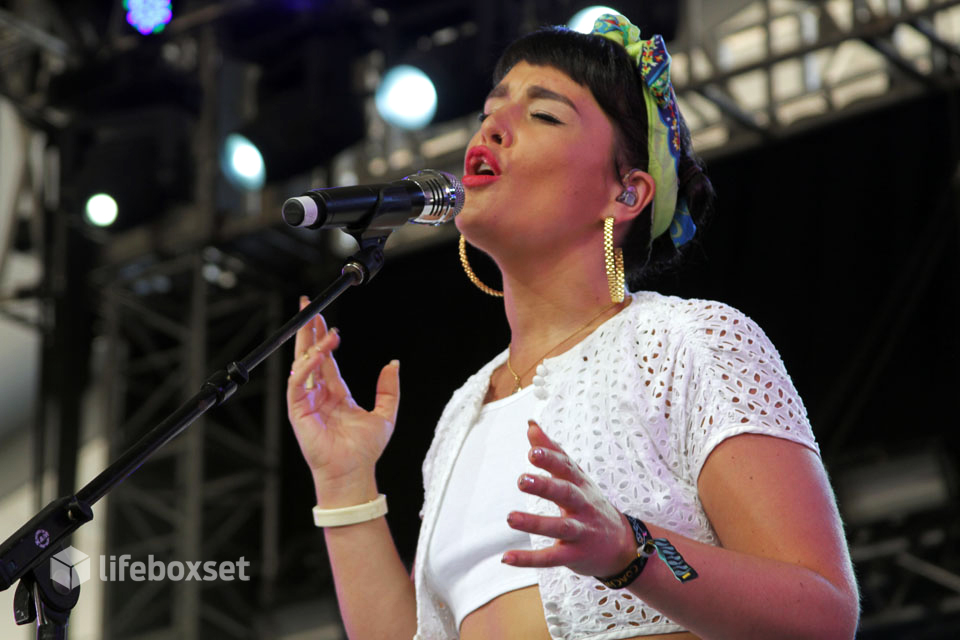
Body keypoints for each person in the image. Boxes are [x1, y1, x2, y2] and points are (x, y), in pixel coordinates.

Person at [287, 13, 859, 640]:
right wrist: (344, 484)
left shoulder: (686, 342)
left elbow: (822, 611)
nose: (494, 128)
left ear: (626, 193)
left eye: (545, 115)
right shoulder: (463, 414)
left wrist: (632, 553)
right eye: (489, 110)